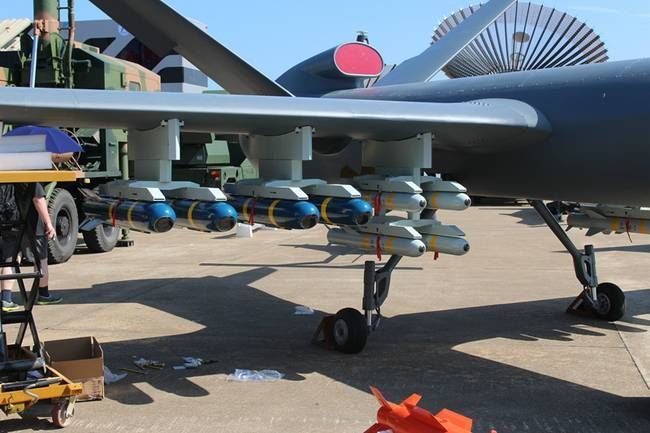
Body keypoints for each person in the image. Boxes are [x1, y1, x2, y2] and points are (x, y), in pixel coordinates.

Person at [0, 183, 62, 311]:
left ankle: (5, 299)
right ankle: (44, 295)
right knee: (41, 259)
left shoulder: (7, 176)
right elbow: (38, 199)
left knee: (10, 260)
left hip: (11, 221)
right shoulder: (32, 177)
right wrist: (48, 223)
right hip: (32, 225)